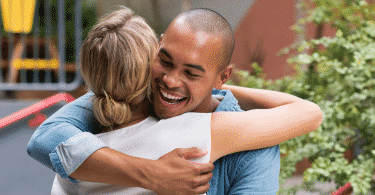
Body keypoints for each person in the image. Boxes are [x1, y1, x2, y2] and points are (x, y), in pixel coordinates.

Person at [27, 7, 323, 195]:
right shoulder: (203, 132)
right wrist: (151, 173)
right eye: (165, 63)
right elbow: (308, 113)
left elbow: (48, 140)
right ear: (152, 54)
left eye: (192, 73)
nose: (170, 80)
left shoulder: (79, 147)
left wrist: (219, 87)